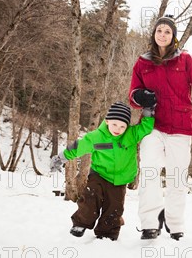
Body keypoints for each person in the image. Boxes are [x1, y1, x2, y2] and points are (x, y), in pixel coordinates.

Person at [129, 15, 192, 240]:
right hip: (152, 125)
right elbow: (133, 95)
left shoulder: (185, 60)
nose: (162, 34)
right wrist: (139, 96)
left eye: (167, 31)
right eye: (159, 30)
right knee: (150, 172)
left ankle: (175, 224)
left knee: (177, 177)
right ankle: (149, 224)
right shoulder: (142, 63)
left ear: (173, 37)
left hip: (181, 127)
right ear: (153, 34)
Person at [50, 101, 155, 241]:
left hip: (120, 180)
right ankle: (80, 223)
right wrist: (60, 158)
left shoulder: (131, 134)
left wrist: (148, 110)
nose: (118, 129)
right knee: (90, 198)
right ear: (107, 121)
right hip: (99, 175)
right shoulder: (96, 137)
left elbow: (146, 127)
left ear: (127, 126)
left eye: (123, 126)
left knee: (114, 208)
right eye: (114, 124)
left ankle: (107, 233)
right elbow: (78, 147)